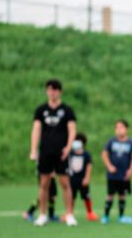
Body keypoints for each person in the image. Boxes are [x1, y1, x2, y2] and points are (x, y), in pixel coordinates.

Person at [29, 79, 79, 227]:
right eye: (50, 90)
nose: (52, 93)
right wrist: (33, 149)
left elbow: (72, 130)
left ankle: (69, 214)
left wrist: (68, 147)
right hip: (45, 151)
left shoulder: (67, 110)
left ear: (60, 92)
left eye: (55, 90)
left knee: (64, 183)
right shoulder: (41, 110)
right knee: (44, 183)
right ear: (47, 91)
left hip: (61, 152)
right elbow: (36, 130)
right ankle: (43, 215)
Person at [102, 119, 132, 224]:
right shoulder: (111, 141)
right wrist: (109, 166)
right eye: (117, 127)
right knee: (110, 195)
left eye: (121, 127)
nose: (119, 130)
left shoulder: (131, 142)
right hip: (112, 175)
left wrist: (130, 170)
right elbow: (104, 154)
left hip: (124, 175)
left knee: (122, 195)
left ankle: (121, 216)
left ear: (127, 129)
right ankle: (106, 216)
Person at [66, 133, 99, 222]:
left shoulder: (86, 155)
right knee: (71, 197)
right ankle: (69, 213)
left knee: (86, 196)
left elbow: (89, 166)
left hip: (82, 179)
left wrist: (87, 178)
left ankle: (90, 213)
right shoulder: (70, 154)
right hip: (72, 179)